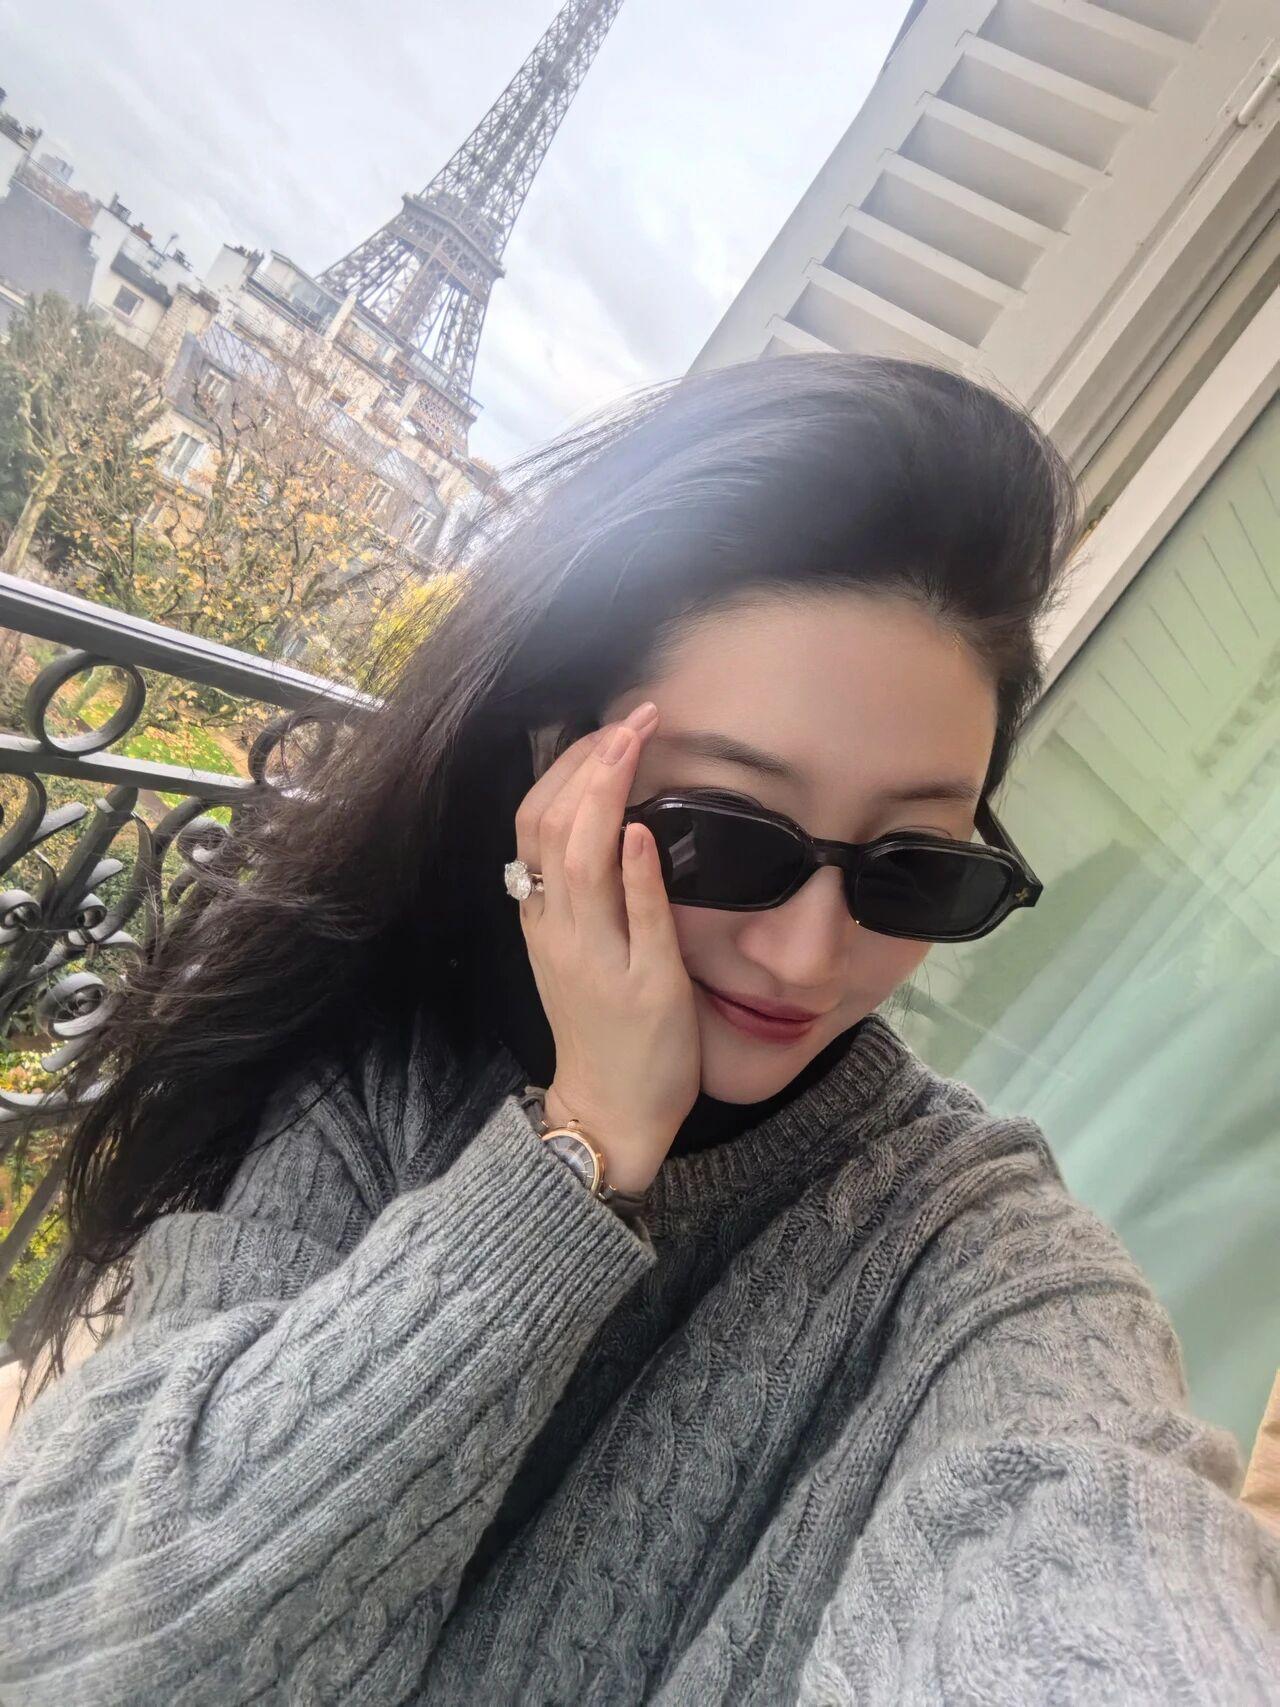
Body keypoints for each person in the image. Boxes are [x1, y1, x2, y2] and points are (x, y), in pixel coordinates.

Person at [0, 354, 1276, 1704]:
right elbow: (83, 1646)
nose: (806, 954)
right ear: (557, 764)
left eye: (914, 869)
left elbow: (1085, 1543)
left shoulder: (975, 1253)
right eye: (725, 833)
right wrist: (586, 1146)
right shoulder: (382, 1069)